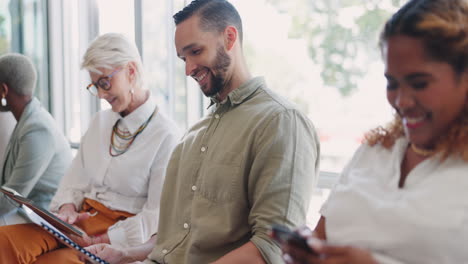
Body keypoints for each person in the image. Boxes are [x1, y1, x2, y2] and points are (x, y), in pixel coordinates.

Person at [86, 0, 320, 263]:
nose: (188, 69)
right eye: (184, 58)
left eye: (196, 51)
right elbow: (173, 241)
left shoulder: (280, 121)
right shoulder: (195, 134)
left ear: (230, 37)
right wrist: (124, 254)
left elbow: (270, 248)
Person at [282, 0, 468, 263]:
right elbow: (322, 237)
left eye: (419, 83)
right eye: (392, 83)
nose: (401, 101)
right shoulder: (375, 151)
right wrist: (307, 252)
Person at [0, 33, 180, 263]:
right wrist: (66, 209)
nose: (102, 95)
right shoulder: (100, 122)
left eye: (105, 83)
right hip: (76, 225)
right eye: (95, 86)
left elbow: (156, 216)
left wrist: (102, 239)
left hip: (116, 235)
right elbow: (73, 182)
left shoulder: (166, 135)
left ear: (131, 71)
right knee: (3, 242)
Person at [0, 53, 72, 226]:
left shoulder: (37, 129)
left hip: (42, 219)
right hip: (24, 212)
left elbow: (12, 199)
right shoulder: (26, 119)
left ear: (3, 90)